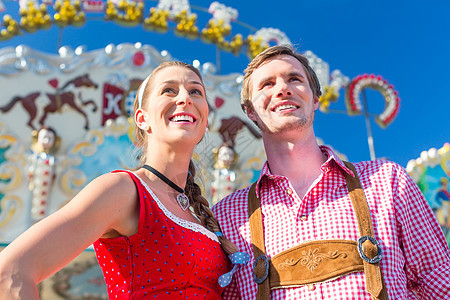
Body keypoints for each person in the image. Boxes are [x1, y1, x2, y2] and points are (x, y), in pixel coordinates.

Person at [212, 45, 450, 299]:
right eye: (267, 84)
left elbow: (439, 284)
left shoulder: (387, 182)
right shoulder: (227, 218)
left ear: (315, 98)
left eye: (294, 78)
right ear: (250, 111)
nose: (283, 88)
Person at [0, 61, 241, 299]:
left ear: (205, 120)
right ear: (141, 118)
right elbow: (10, 273)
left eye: (195, 91)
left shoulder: (202, 216)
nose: (185, 98)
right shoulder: (124, 190)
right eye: (169, 90)